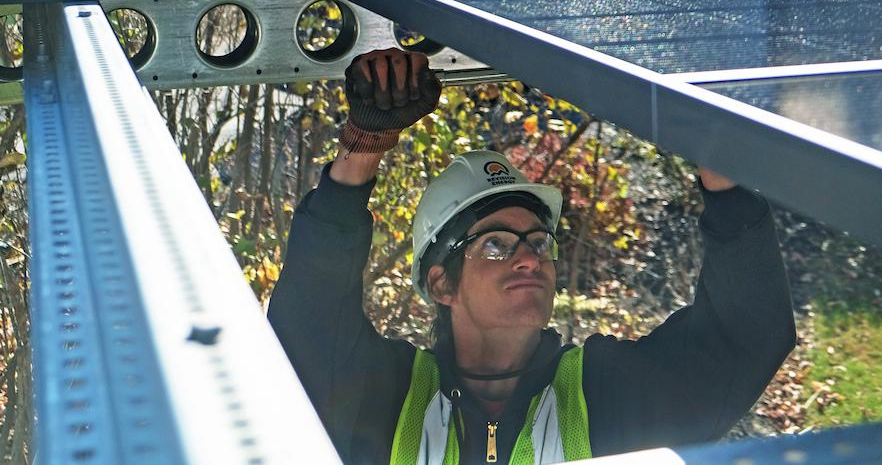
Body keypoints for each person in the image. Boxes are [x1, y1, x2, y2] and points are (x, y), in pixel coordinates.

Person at [269, 47, 796, 465]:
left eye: (538, 243)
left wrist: (717, 156)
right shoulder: (385, 399)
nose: (528, 259)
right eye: (495, 244)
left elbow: (746, 333)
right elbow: (307, 324)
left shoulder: (605, 394)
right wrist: (362, 147)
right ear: (441, 284)